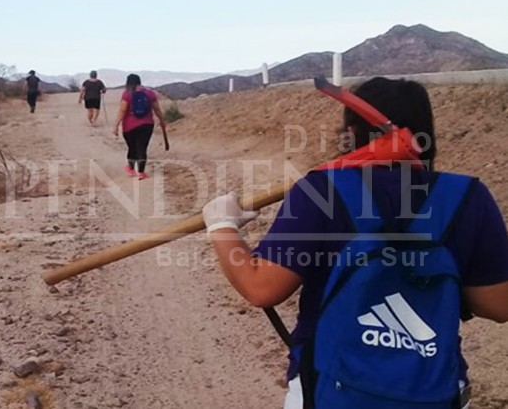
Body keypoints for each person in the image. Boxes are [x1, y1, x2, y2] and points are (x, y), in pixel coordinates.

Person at [201, 77, 508, 408]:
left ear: (352, 129)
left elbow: (261, 287)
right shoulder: (468, 196)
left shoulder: (321, 190)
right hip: (433, 388)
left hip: (329, 390)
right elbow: (498, 306)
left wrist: (221, 225)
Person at [112, 74, 166, 180]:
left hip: (129, 126)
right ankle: (141, 172)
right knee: (142, 147)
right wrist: (162, 120)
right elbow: (157, 109)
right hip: (147, 125)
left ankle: (131, 169)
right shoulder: (150, 93)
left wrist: (116, 126)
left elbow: (122, 110)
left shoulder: (127, 94)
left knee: (132, 148)